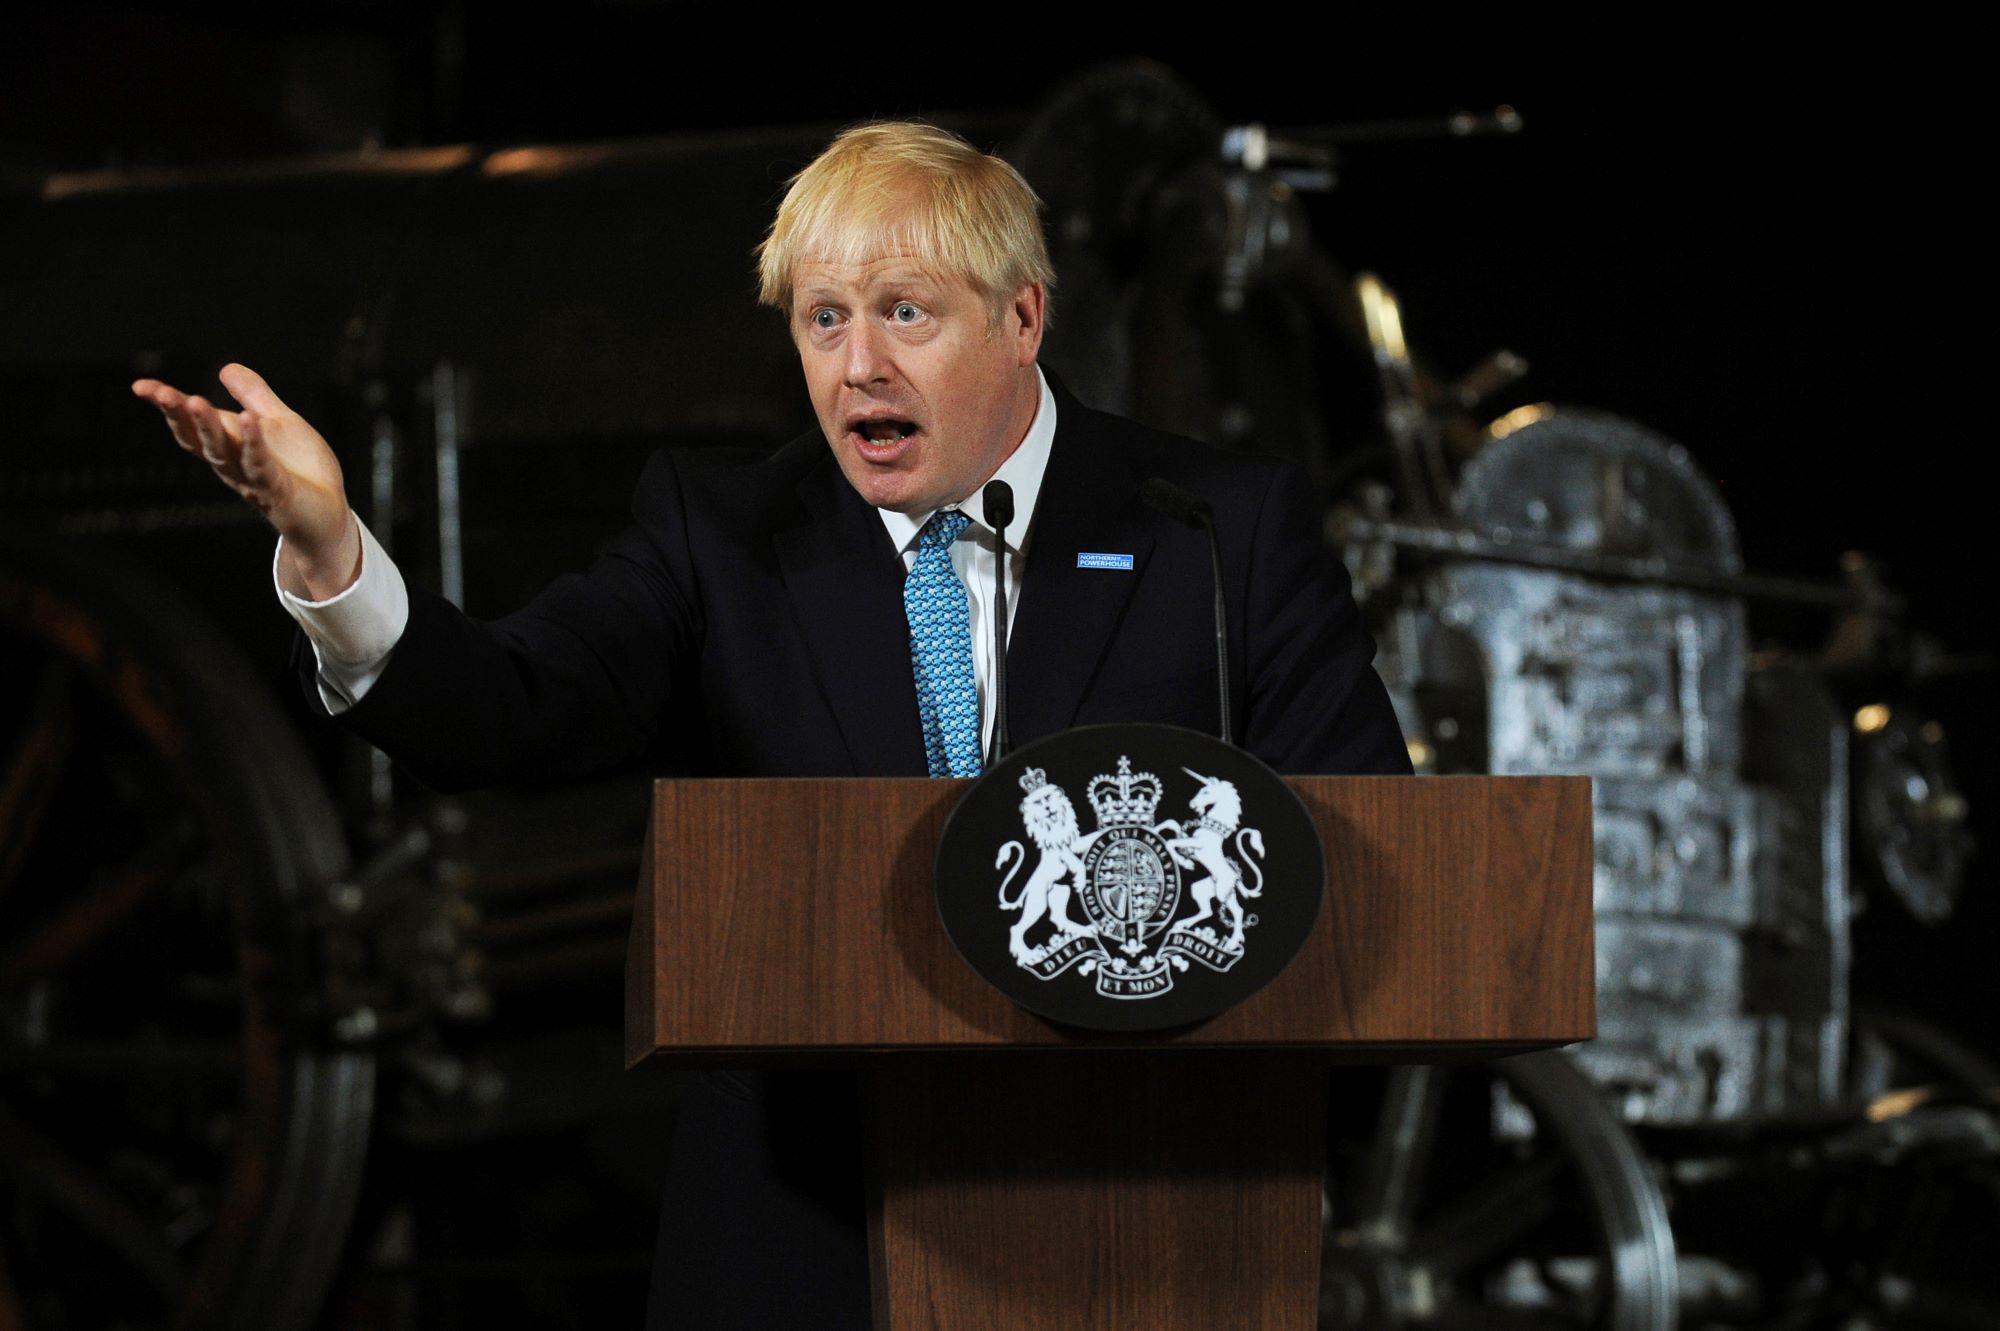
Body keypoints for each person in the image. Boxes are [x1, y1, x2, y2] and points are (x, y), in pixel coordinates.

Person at [135, 120, 1410, 1328]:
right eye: (822, 319)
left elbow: (1364, 854)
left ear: (1022, 317)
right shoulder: (722, 538)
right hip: (799, 1247)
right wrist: (330, 552)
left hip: (1152, 1236)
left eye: (905, 311)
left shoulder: (1209, 527)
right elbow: (511, 709)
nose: (858, 365)